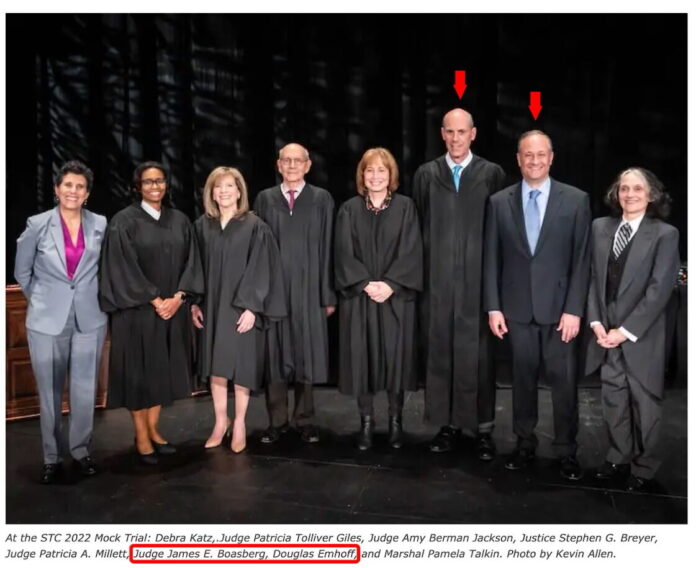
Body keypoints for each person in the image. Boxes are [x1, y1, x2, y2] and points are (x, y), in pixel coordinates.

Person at [483, 130, 591, 480]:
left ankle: (566, 451)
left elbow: (582, 259)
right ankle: (524, 444)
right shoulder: (499, 202)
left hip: (561, 312)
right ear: (518, 159)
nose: (534, 160)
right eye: (527, 155)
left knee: (564, 384)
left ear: (551, 157)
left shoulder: (575, 200)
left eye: (540, 154)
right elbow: (491, 259)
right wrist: (494, 307)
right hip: (516, 310)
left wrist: (574, 308)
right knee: (522, 381)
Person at [412, 108, 506, 459]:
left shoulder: (491, 174)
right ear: (442, 134)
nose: (455, 138)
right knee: (440, 353)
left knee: (479, 357)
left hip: (477, 284)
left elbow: (499, 230)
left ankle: (482, 429)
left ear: (473, 133)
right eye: (449, 132)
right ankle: (446, 425)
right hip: (436, 283)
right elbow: (419, 226)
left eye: (461, 132)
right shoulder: (426, 174)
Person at [99, 161, 202, 465]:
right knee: (138, 375)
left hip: (173, 309)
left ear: (166, 185)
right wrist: (156, 300)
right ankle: (141, 436)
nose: (154, 186)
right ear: (138, 186)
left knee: (160, 373)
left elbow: (193, 263)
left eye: (159, 181)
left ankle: (154, 430)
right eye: (148, 182)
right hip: (137, 313)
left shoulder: (180, 220)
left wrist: (180, 297)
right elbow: (121, 268)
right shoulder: (123, 222)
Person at [586, 168, 679, 492]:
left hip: (642, 336)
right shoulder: (600, 228)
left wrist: (625, 331)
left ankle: (644, 467)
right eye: (624, 188)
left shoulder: (665, 235)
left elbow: (659, 290)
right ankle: (618, 457)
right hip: (606, 333)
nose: (630, 194)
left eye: (637, 189)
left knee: (645, 405)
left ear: (651, 195)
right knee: (613, 399)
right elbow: (592, 280)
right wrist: (597, 323)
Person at [15, 160, 108, 483]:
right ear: (57, 189)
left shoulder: (100, 223)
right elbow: (21, 272)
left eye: (80, 186)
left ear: (87, 194)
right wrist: (42, 300)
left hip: (89, 318)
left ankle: (81, 452)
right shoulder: (37, 224)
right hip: (45, 321)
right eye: (68, 185)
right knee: (49, 393)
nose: (73, 191)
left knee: (84, 391)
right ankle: (51, 458)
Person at [191, 167, 286, 453]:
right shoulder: (201, 226)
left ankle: (241, 422)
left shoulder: (255, 226)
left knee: (241, 368)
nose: (223, 192)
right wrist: (195, 302)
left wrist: (252, 308)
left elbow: (263, 270)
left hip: (241, 309)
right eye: (218, 187)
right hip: (212, 307)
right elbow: (194, 267)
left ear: (239, 191)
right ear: (211, 193)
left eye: (229, 186)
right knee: (216, 367)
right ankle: (221, 422)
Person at [335, 148, 423, 450]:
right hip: (360, 299)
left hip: (395, 298)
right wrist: (364, 284)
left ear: (391, 175)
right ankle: (367, 423)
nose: (375, 176)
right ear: (362, 175)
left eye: (381, 171)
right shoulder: (348, 209)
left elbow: (412, 250)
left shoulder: (406, 207)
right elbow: (343, 253)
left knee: (395, 359)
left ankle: (396, 422)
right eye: (369, 170)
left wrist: (391, 284)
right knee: (364, 360)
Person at [254, 143, 336, 445]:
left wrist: (328, 294)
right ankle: (277, 421)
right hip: (274, 291)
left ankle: (306, 420)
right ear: (278, 165)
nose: (291, 165)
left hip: (310, 289)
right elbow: (258, 249)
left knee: (307, 354)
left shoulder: (321, 199)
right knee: (275, 355)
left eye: (297, 161)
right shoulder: (265, 199)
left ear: (307, 165)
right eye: (286, 161)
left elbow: (329, 248)